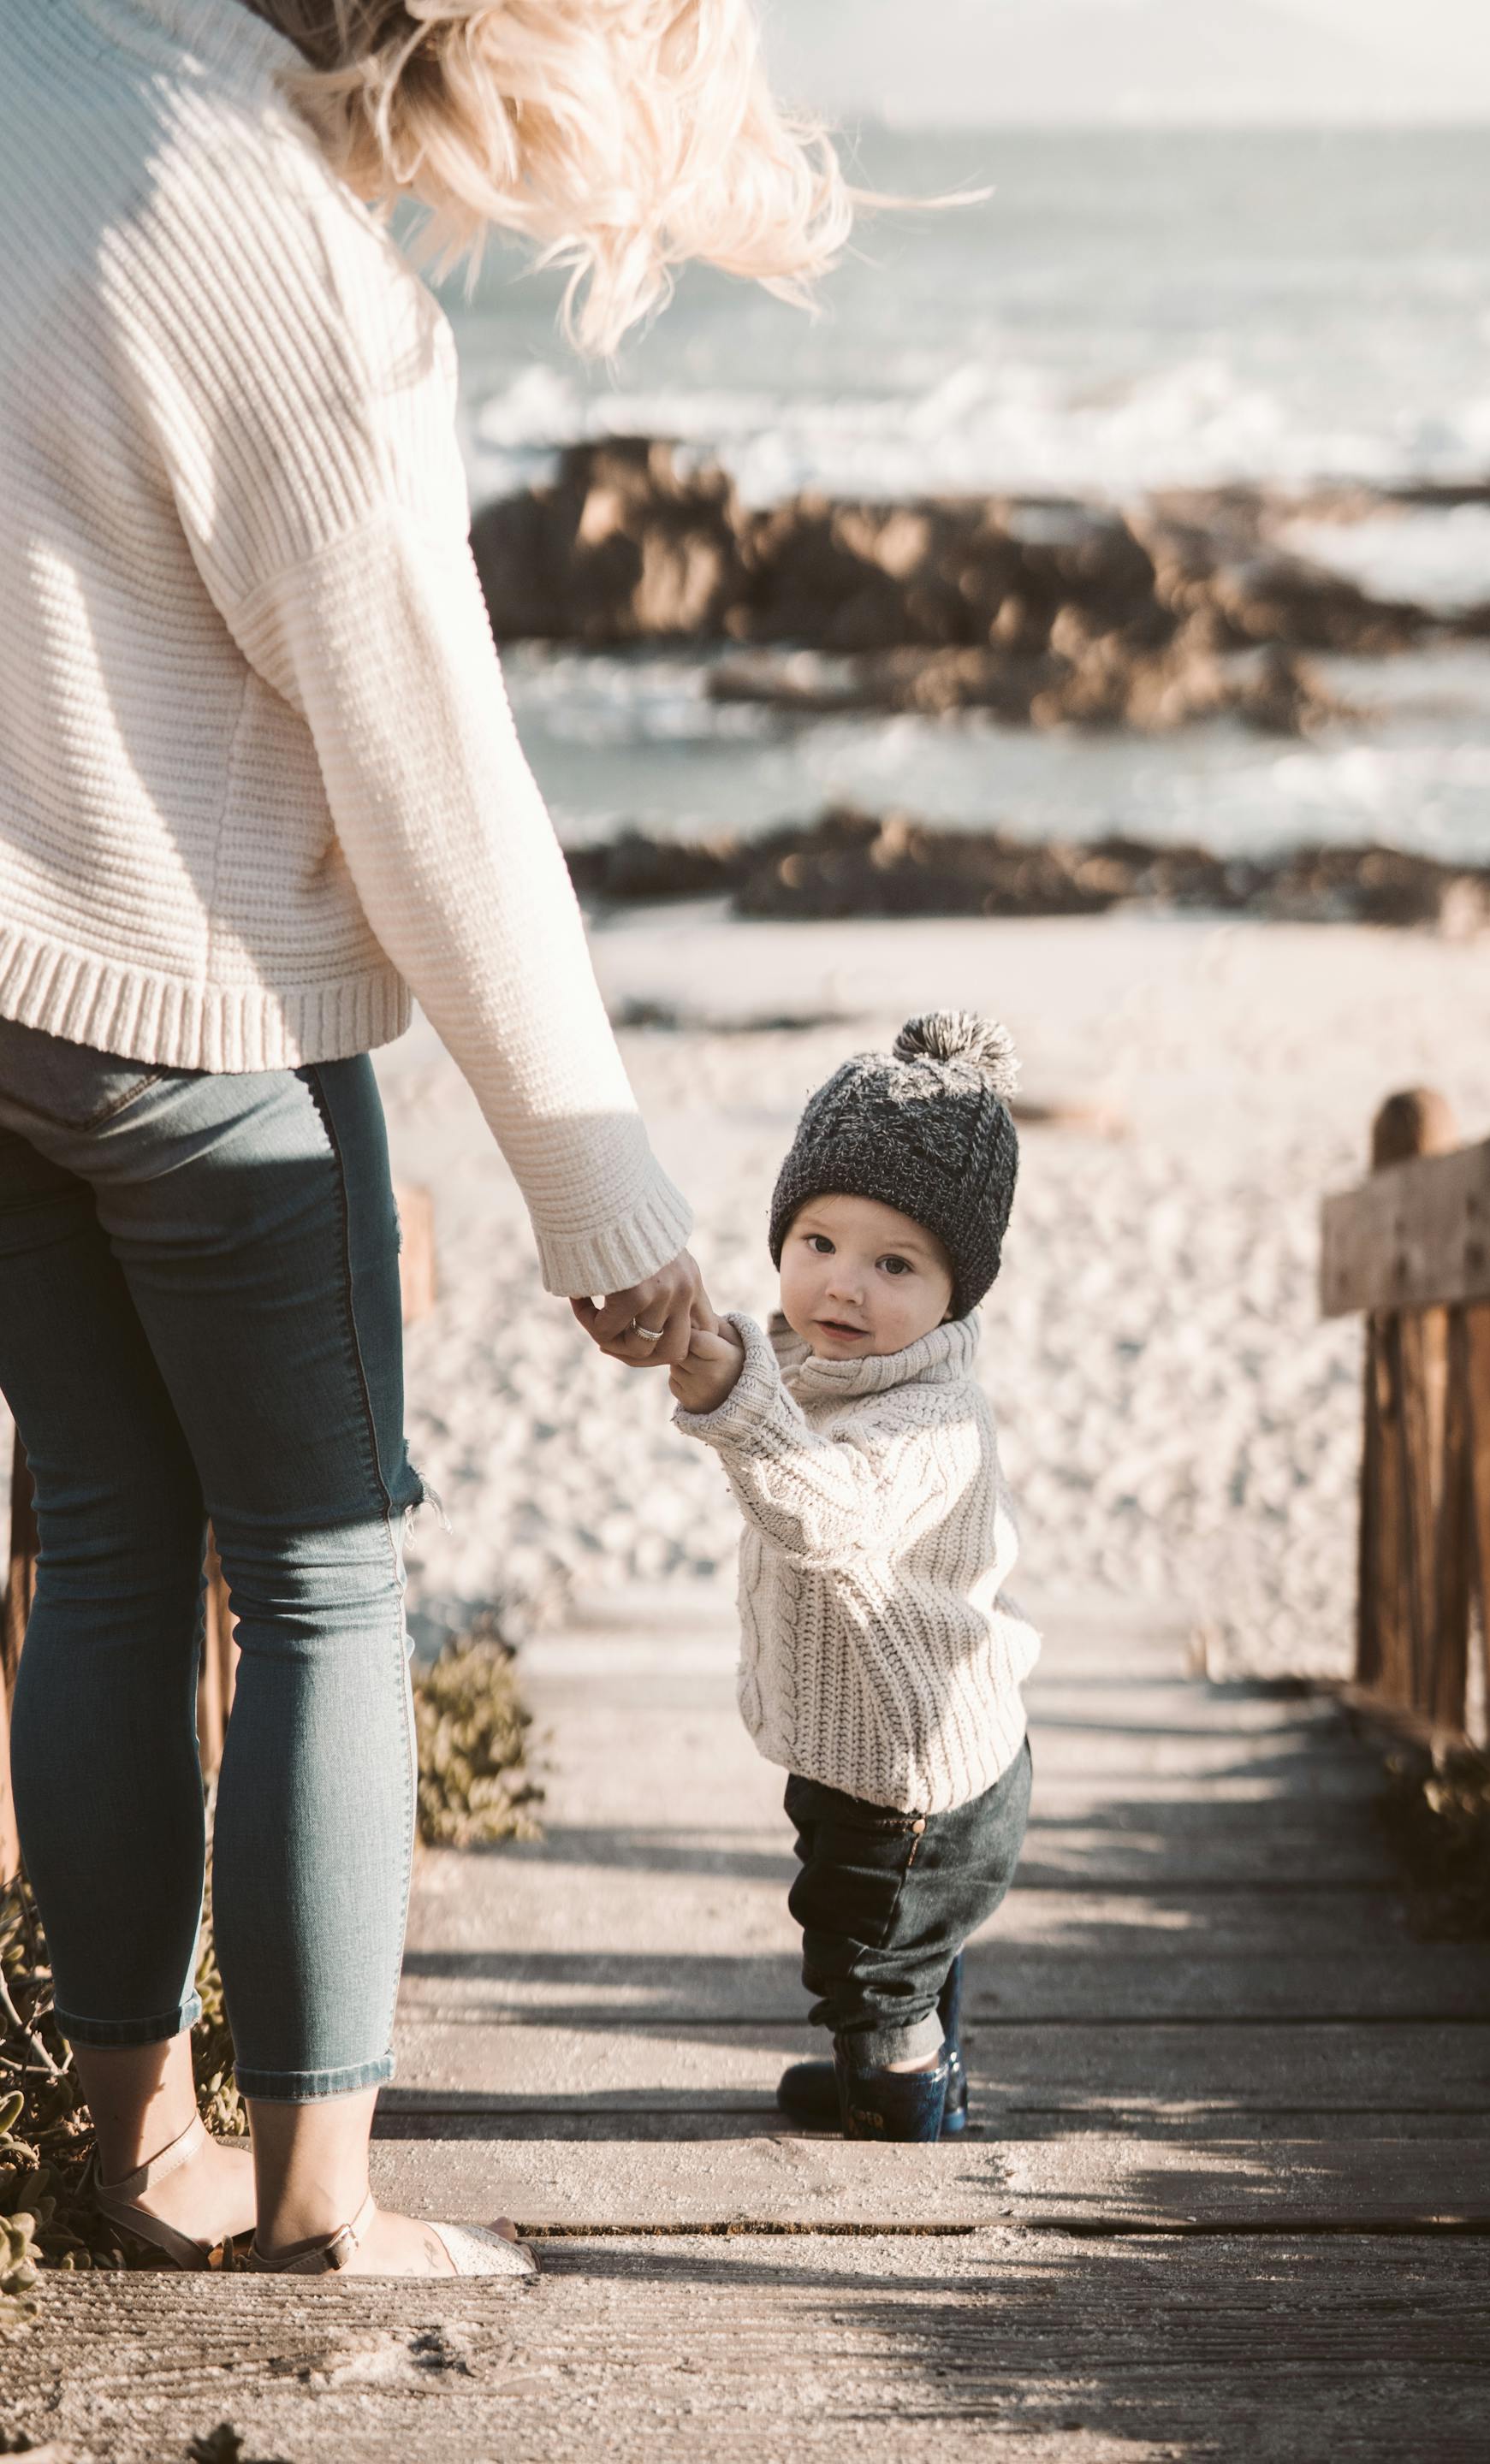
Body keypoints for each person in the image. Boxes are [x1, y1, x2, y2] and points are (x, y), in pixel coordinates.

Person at [0, 0, 848, 2276]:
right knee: (319, 1580)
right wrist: (602, 1188)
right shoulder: (292, 268)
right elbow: (442, 809)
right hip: (206, 1043)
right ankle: (313, 2212)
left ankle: (119, 2148)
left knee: (95, 1549)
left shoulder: (26, 61)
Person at [668, 1014, 1040, 2141]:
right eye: (819, 1242)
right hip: (860, 1743)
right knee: (868, 1924)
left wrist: (733, 1401)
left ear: (957, 1291)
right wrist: (713, 1355)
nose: (843, 1285)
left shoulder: (933, 1420)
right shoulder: (807, 1362)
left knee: (869, 1940)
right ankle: (892, 2055)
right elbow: (756, 1383)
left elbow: (825, 1514)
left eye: (895, 1265)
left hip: (920, 1776)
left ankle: (905, 2088)